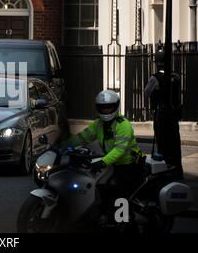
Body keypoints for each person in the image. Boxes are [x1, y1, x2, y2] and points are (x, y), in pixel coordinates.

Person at [62, 89, 145, 196]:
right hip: (111, 163)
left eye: (109, 107)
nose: (106, 110)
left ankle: (123, 212)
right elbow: (82, 137)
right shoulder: (98, 124)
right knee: (99, 186)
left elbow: (119, 150)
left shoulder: (123, 125)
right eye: (103, 108)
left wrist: (102, 162)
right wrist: (62, 145)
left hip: (129, 165)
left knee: (118, 193)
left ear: (116, 106)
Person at [144, 51, 183, 179]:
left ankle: (164, 171)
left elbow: (146, 93)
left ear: (157, 63)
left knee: (162, 142)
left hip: (161, 114)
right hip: (173, 115)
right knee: (174, 143)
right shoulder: (176, 77)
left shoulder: (154, 78)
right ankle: (176, 170)